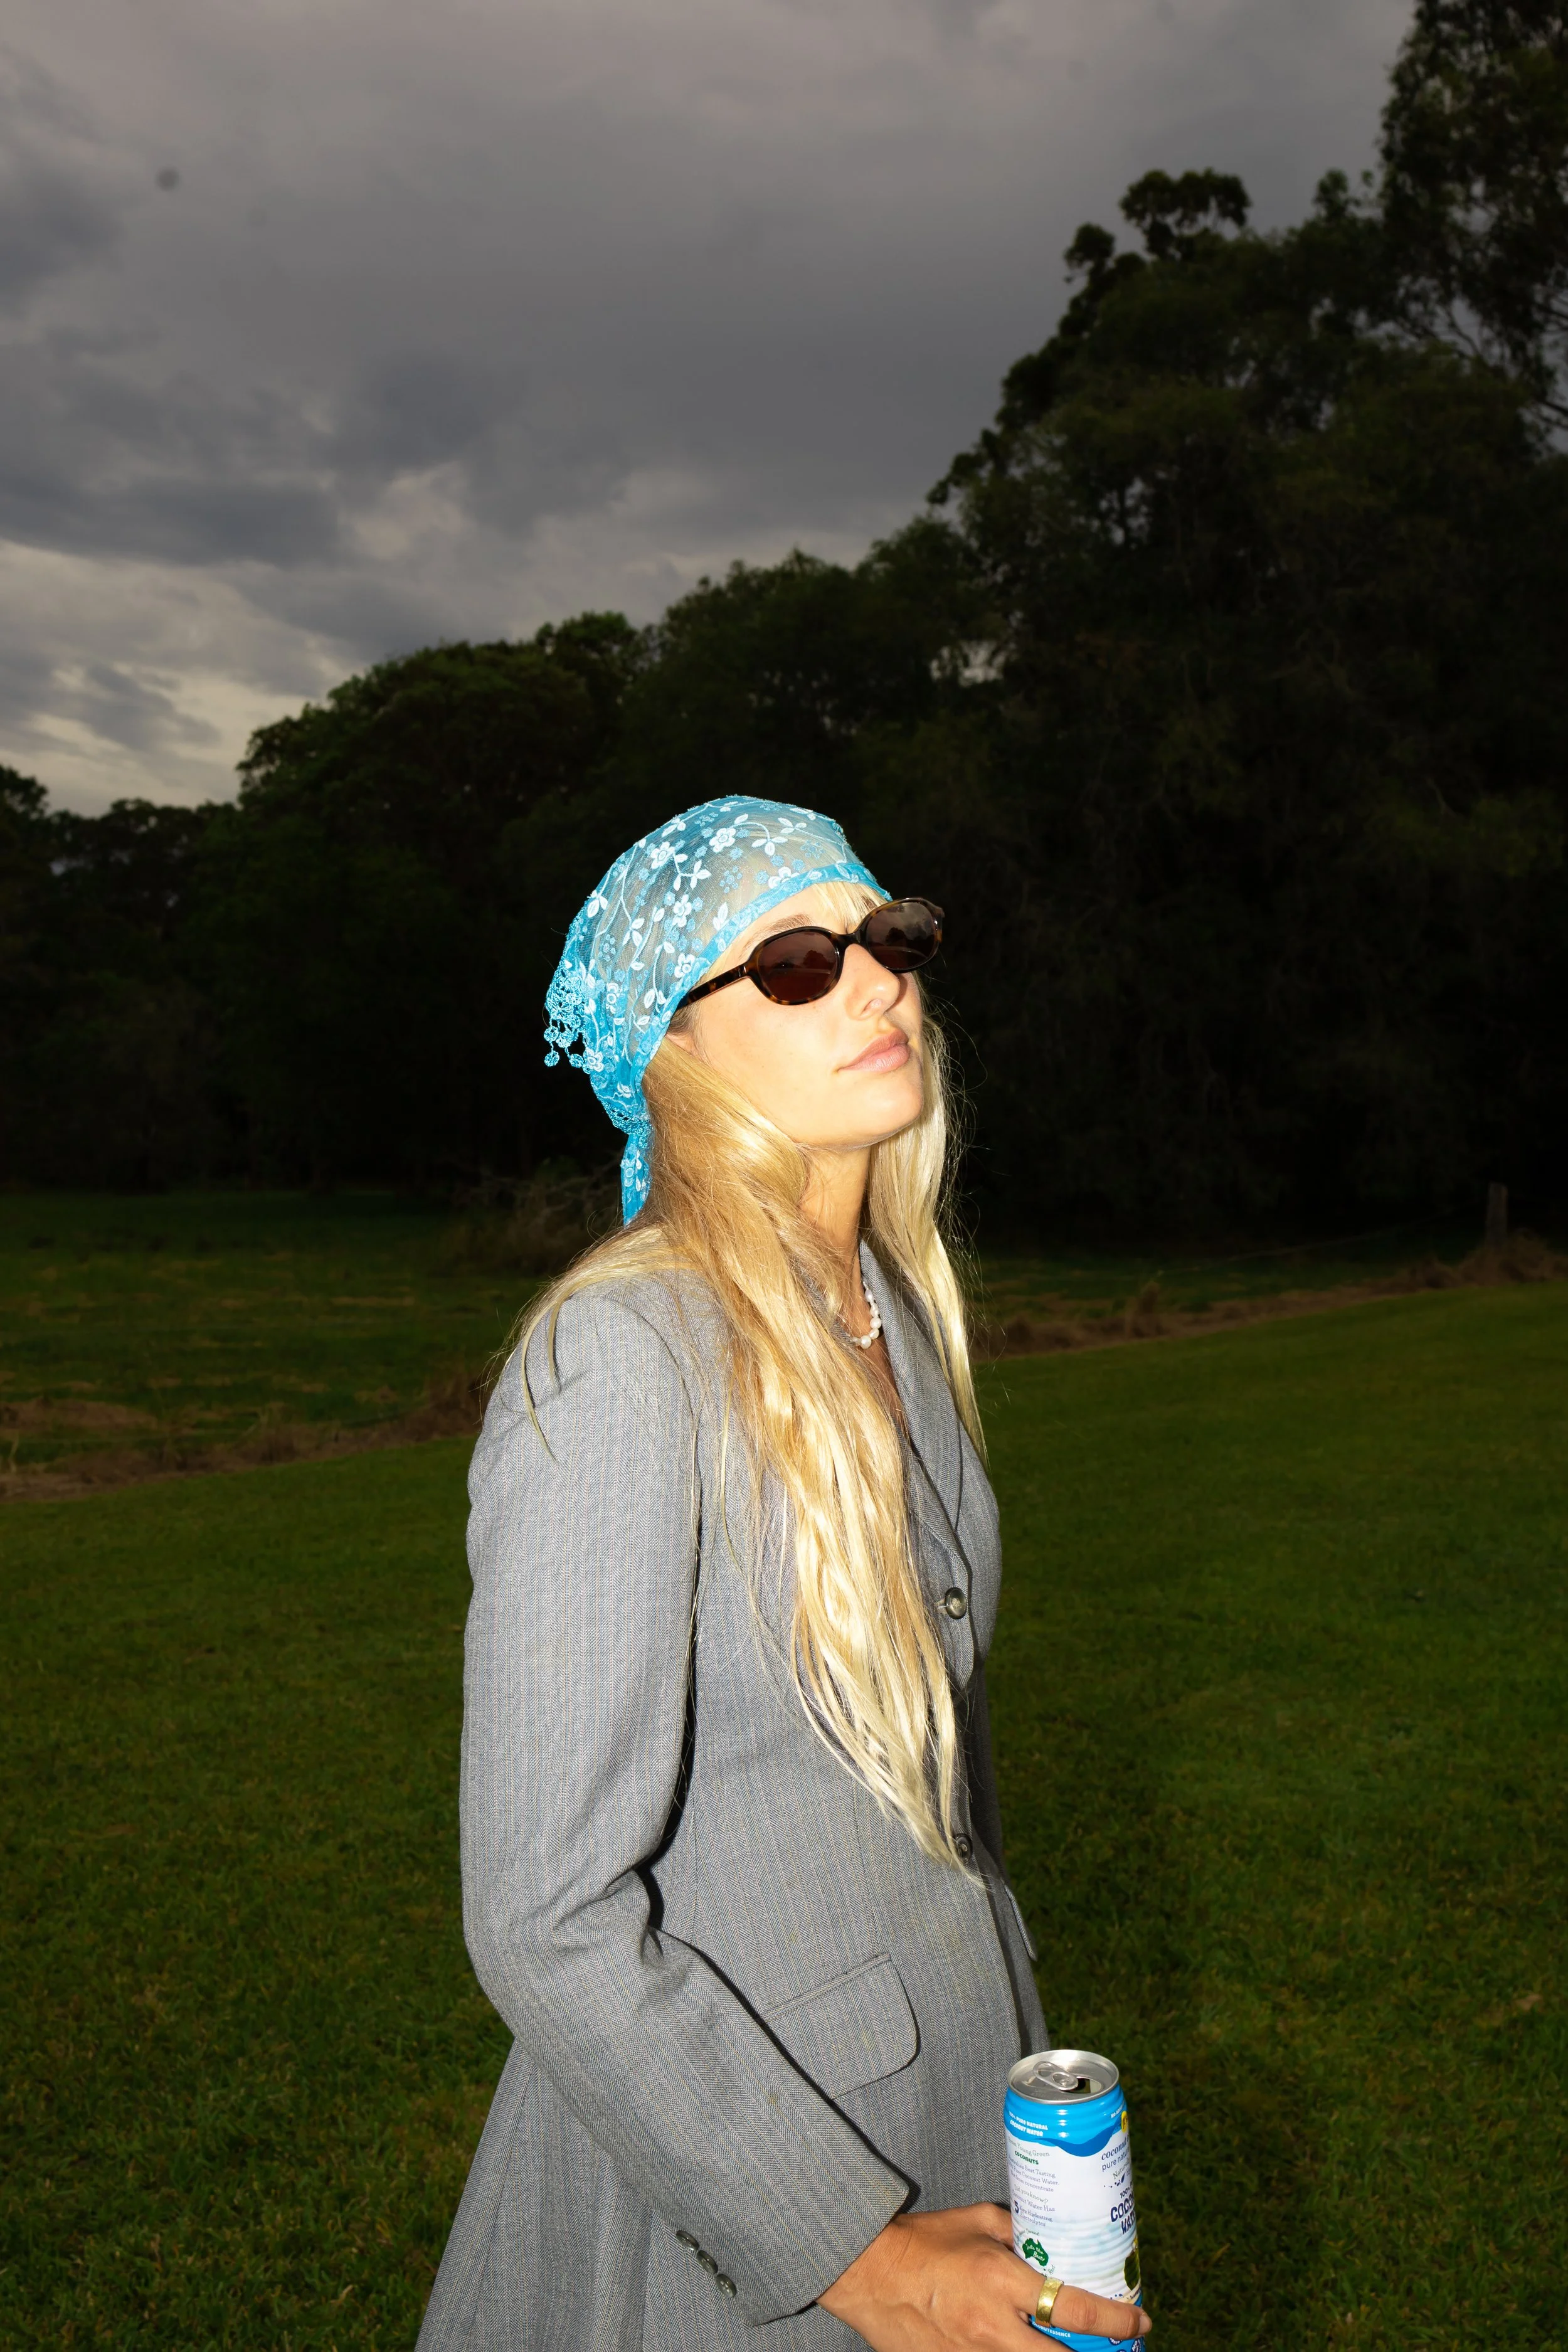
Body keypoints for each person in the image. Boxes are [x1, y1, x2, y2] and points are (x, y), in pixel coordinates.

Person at [416, 798, 1149, 2351]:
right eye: (798, 963)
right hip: (758, 2201)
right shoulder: (617, 1362)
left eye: (889, 938)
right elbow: (544, 1914)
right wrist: (859, 2258)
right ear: (668, 1058)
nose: (880, 982)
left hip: (959, 2104)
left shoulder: (884, 1305)